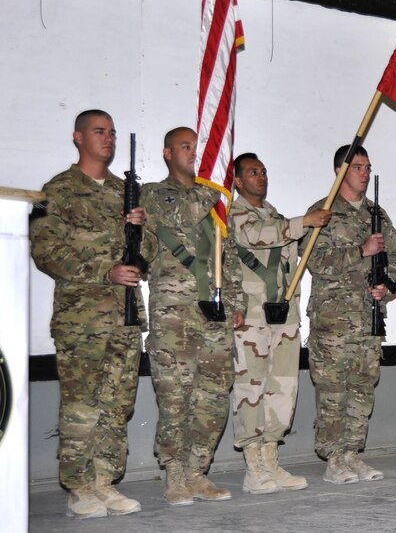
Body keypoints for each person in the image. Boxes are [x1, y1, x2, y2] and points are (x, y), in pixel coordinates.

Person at [30, 110, 154, 518]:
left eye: (112, 133)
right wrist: (104, 271)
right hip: (82, 320)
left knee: (118, 404)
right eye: (99, 131)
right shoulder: (59, 190)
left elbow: (148, 253)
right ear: (78, 137)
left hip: (125, 315)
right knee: (82, 405)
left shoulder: (126, 192)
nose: (108, 138)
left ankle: (105, 482)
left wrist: (139, 231)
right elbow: (46, 252)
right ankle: (80, 487)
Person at [224, 152, 330, 494]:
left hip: (283, 319)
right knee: (250, 389)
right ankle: (253, 465)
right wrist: (307, 221)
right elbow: (260, 236)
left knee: (283, 388)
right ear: (238, 181)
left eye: (264, 171)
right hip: (252, 317)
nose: (261, 176)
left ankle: (271, 458)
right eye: (253, 172)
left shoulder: (276, 215)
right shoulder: (235, 214)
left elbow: (291, 251)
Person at [142, 127, 233, 505]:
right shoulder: (153, 194)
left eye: (199, 148)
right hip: (174, 314)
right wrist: (213, 184)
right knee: (175, 398)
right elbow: (179, 220)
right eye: (186, 147)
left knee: (213, 398)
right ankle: (175, 475)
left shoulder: (214, 206)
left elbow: (228, 257)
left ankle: (198, 472)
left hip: (214, 313)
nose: (195, 153)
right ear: (167, 153)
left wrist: (236, 303)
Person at [305, 145, 396, 484]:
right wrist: (361, 251)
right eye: (358, 167)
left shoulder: (379, 215)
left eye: (367, 166)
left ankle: (352, 453)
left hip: (369, 320)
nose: (364, 172)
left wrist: (385, 289)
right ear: (339, 172)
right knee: (333, 390)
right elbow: (315, 262)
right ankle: (333, 458)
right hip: (334, 322)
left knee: (362, 389)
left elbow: (395, 263)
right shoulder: (323, 212)